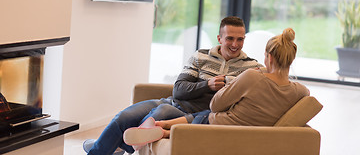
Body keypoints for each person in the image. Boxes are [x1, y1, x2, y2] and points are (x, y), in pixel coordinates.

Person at [83, 16, 262, 155]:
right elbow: (179, 90)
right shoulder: (201, 56)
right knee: (123, 116)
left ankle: (113, 144)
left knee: (158, 116)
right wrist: (207, 85)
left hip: (191, 115)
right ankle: (102, 149)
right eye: (230, 38)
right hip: (172, 102)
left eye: (240, 39)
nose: (235, 44)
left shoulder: (251, 68)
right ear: (219, 38)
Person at [122, 28, 310, 146]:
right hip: (252, 132)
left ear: (268, 57)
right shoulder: (301, 91)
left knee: (206, 115)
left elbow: (215, 105)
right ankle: (163, 128)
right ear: (291, 59)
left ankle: (161, 128)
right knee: (197, 116)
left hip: (216, 125)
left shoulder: (253, 76)